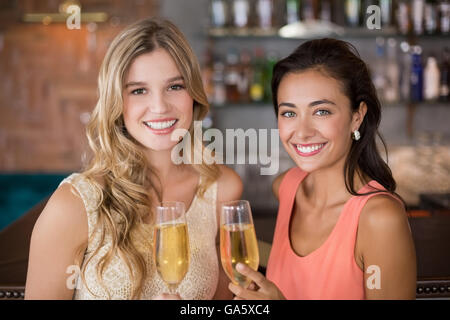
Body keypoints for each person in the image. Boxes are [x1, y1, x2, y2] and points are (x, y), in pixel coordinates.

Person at [25, 18, 242, 300]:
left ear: (194, 94)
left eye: (175, 86)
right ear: (116, 101)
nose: (160, 106)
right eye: (138, 90)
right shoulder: (74, 205)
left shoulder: (221, 189)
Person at [229, 38, 416, 300]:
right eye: (289, 113)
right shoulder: (286, 187)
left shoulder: (380, 218)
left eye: (322, 112)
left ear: (357, 116)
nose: (303, 132)